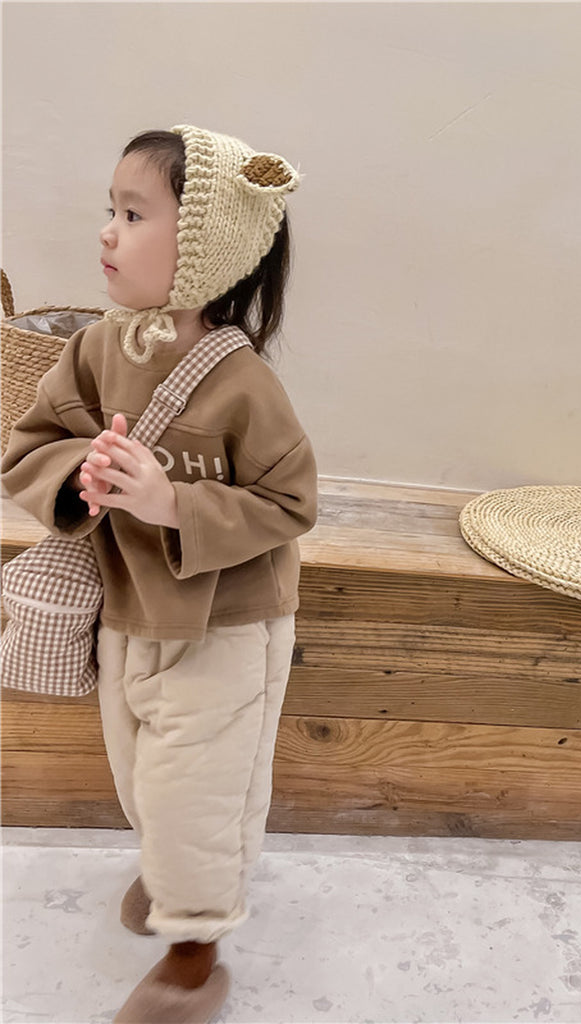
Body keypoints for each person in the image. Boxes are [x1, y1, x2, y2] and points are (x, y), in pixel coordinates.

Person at [1, 125, 319, 1023]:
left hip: (226, 625)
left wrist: (172, 504)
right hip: (127, 614)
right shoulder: (95, 351)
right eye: (111, 209)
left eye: (134, 214)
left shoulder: (243, 385)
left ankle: (192, 958)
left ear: (205, 248)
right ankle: (177, 876)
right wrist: (82, 477)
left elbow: (291, 504)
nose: (108, 231)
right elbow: (28, 444)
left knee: (197, 792)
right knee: (142, 777)